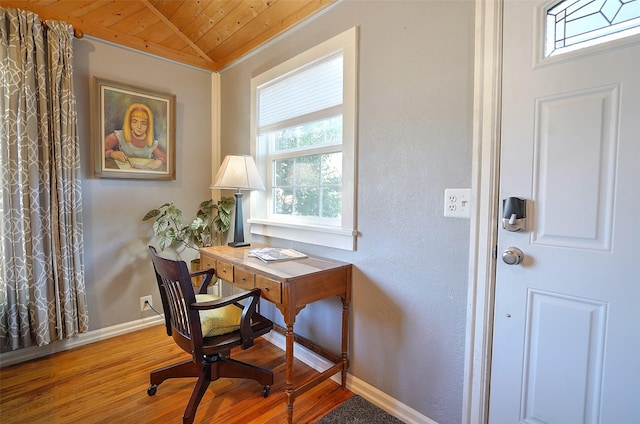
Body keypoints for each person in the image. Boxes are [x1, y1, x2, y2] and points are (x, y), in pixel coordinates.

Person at [104, 103, 167, 170]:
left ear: (148, 125)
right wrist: (111, 153)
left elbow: (167, 158)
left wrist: (160, 161)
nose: (139, 127)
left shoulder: (152, 142)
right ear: (129, 122)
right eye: (134, 121)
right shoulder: (119, 135)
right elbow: (100, 149)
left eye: (144, 123)